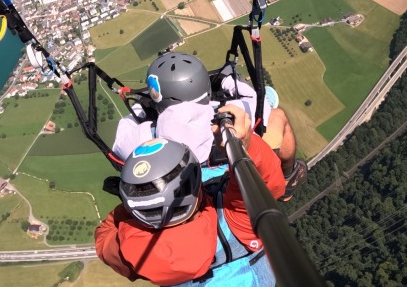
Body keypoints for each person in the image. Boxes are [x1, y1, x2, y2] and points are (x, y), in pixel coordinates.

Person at [96, 105, 283, 287]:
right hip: (253, 280)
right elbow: (268, 184)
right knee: (278, 117)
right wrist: (245, 144)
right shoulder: (234, 224)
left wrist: (135, 207)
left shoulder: (132, 250)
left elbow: (104, 238)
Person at [111, 51, 307, 199]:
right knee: (276, 115)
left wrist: (140, 107)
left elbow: (119, 145)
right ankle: (287, 175)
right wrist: (226, 80)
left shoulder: (145, 136)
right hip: (234, 178)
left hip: (187, 189)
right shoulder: (228, 111)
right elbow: (257, 101)